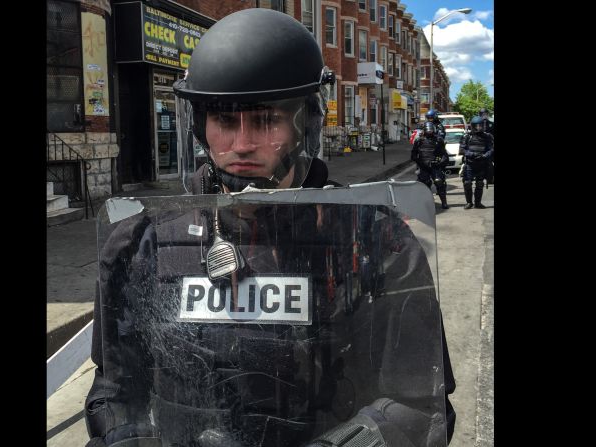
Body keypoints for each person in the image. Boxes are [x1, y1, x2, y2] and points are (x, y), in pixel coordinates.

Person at [84, 8, 455, 447]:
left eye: (264, 121)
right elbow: (112, 391)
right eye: (224, 120)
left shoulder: (373, 239)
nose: (241, 143)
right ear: (202, 127)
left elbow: (417, 403)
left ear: (304, 124)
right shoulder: (140, 241)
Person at [411, 122, 450, 209]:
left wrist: (440, 162)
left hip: (435, 166)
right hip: (423, 166)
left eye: (431, 130)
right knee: (424, 184)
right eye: (428, 130)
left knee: (439, 182)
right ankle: (425, 202)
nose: (429, 131)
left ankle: (444, 202)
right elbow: (413, 155)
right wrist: (420, 162)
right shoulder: (419, 141)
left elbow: (444, 155)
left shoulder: (438, 140)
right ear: (424, 130)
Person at [459, 116, 494, 209]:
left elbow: (491, 149)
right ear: (473, 126)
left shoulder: (487, 136)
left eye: (480, 126)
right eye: (476, 126)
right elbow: (462, 150)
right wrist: (472, 154)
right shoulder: (467, 136)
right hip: (470, 163)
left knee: (479, 183)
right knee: (467, 183)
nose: (478, 128)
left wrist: (485, 155)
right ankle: (469, 202)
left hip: (482, 163)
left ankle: (478, 203)